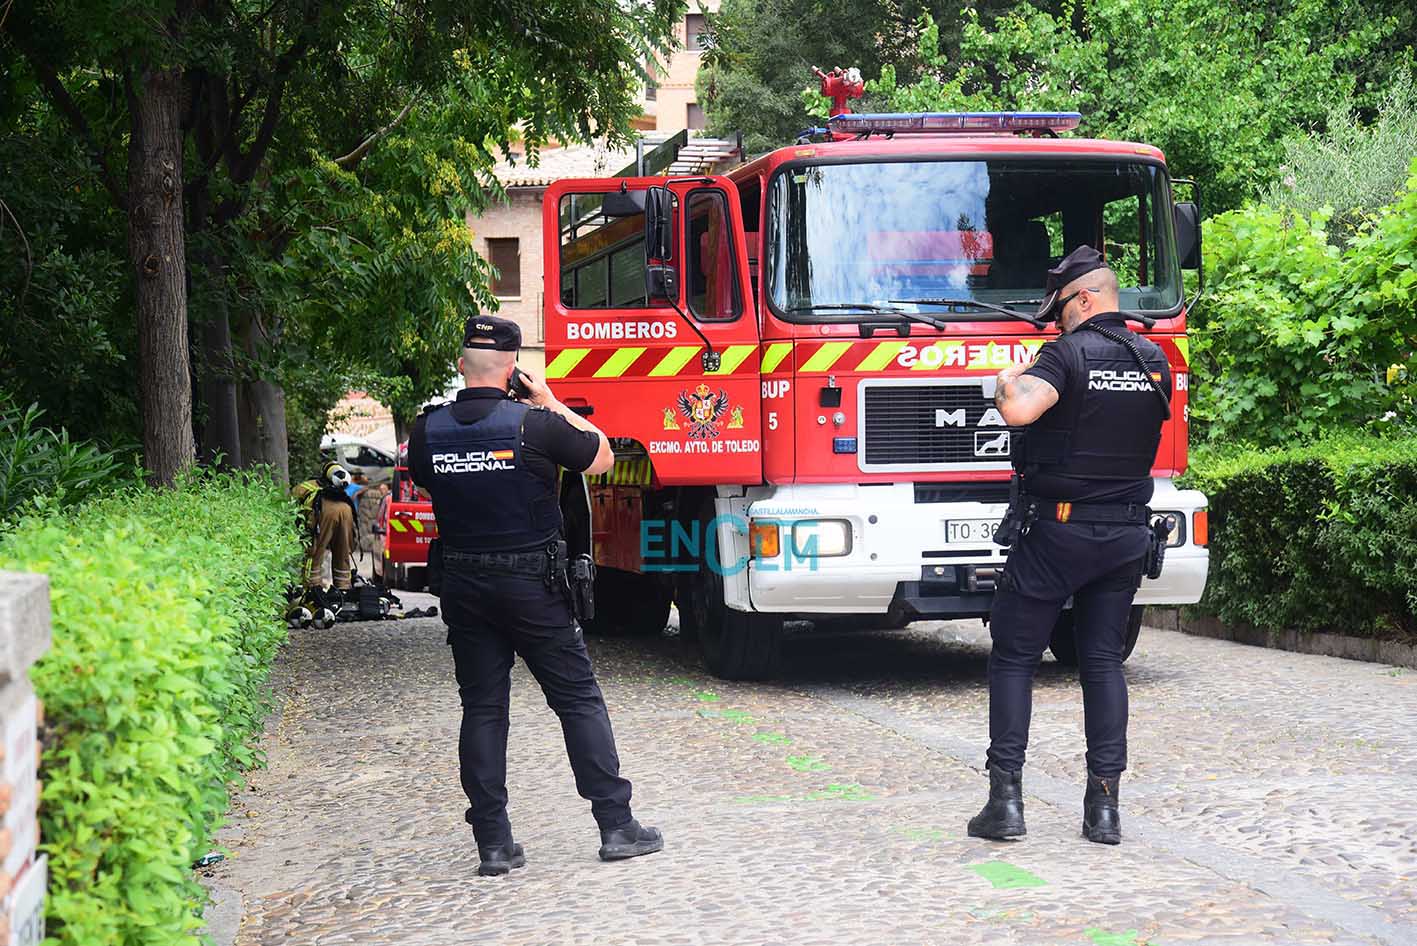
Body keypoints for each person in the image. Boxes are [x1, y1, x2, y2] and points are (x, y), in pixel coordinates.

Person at [408, 314, 663, 876]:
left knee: (482, 709)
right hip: (534, 585)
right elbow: (601, 456)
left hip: (466, 584)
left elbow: (431, 478)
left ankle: (494, 844)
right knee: (576, 699)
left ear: (460, 367)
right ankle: (616, 825)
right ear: (512, 368)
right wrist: (549, 399)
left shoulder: (427, 432)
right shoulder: (534, 425)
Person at [968, 245, 1172, 846]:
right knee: (1104, 663)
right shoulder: (1153, 359)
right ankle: (1103, 810)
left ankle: (1005, 804)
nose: (1056, 320)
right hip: (1125, 535)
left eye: (1059, 306)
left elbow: (1021, 411)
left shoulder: (1066, 354)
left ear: (1085, 297)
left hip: (1056, 533)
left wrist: (1006, 383)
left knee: (1014, 657)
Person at [291, 461, 359, 593]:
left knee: (315, 552)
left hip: (323, 512)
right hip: (346, 511)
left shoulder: (308, 485)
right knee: (343, 552)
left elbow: (291, 503)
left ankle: (312, 588)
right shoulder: (340, 491)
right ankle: (343, 587)